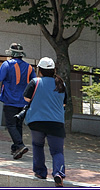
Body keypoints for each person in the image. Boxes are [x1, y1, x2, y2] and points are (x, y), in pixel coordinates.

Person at [0, 42, 36, 160]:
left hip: (10, 100)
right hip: (24, 101)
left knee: (11, 125)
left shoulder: (7, 64)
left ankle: (20, 145)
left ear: (11, 53)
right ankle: (16, 148)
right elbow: (34, 83)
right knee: (18, 125)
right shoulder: (29, 67)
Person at [24, 57, 67, 187]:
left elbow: (26, 98)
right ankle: (58, 173)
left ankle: (40, 172)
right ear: (54, 70)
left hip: (37, 121)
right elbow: (64, 103)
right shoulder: (61, 84)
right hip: (56, 123)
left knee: (38, 145)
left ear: (40, 70)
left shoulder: (35, 82)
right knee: (57, 151)